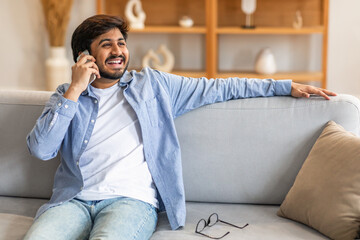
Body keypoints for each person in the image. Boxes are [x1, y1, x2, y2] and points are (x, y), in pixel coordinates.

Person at [24, 14, 337, 240]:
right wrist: (75, 91)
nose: (118, 51)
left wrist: (283, 86)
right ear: (84, 56)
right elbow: (41, 149)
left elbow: (221, 88)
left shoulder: (154, 85)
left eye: (121, 43)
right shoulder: (65, 96)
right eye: (106, 45)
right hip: (73, 200)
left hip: (130, 201)